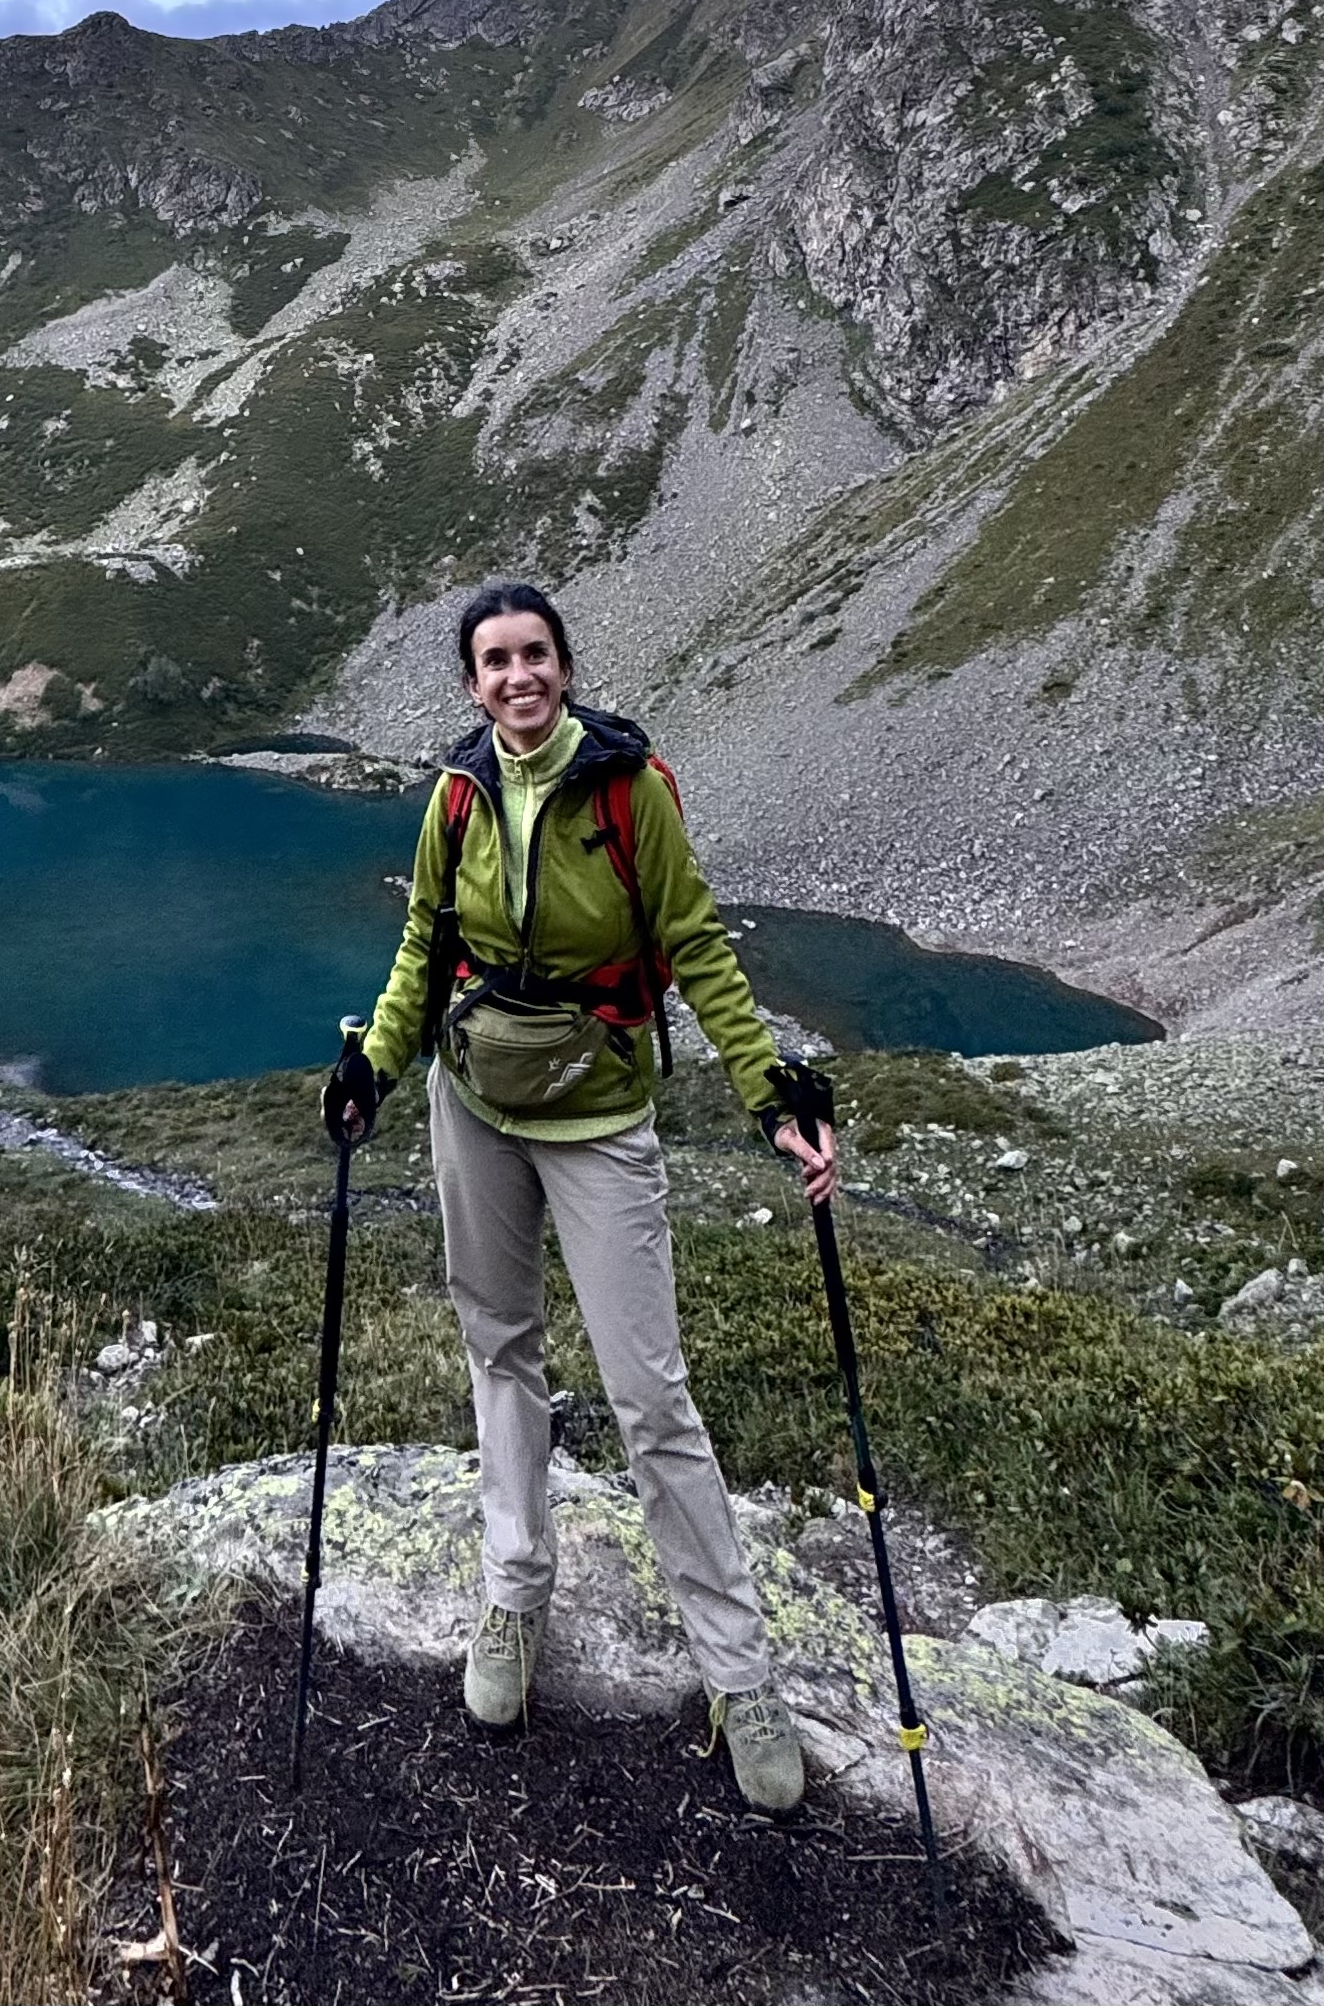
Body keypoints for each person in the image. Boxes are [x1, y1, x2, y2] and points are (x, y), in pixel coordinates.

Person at [322, 581, 837, 1811]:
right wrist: (373, 1065)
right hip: (473, 1103)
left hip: (600, 1114)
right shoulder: (456, 796)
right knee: (499, 1346)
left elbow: (696, 944)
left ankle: (739, 1672)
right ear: (471, 683)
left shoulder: (628, 790)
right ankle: (514, 1592)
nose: (519, 677)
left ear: (565, 665)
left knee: (650, 1393)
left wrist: (770, 1093)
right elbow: (425, 947)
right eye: (495, 661)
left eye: (535, 654)